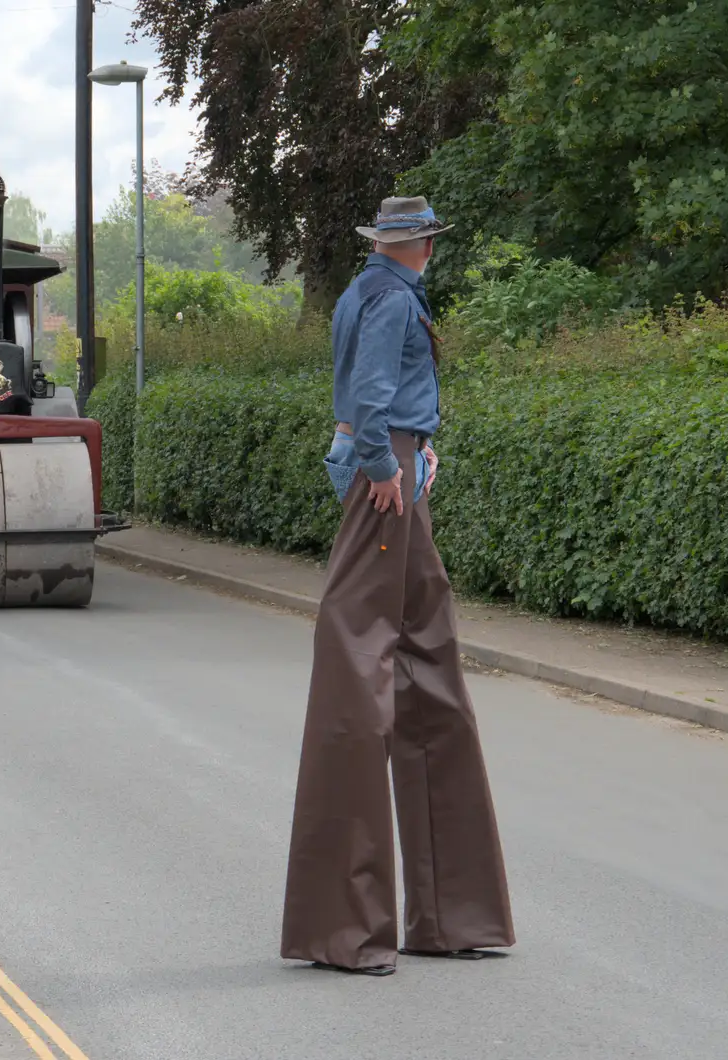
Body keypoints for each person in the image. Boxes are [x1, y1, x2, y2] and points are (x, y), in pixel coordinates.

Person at [279, 197, 514, 976]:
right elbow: (369, 399)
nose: (429, 252)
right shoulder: (390, 302)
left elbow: (360, 397)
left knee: (427, 666)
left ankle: (450, 917)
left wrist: (393, 462)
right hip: (390, 477)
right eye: (429, 242)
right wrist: (386, 468)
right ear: (421, 246)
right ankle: (343, 930)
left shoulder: (366, 292)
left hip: (400, 472)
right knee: (360, 671)